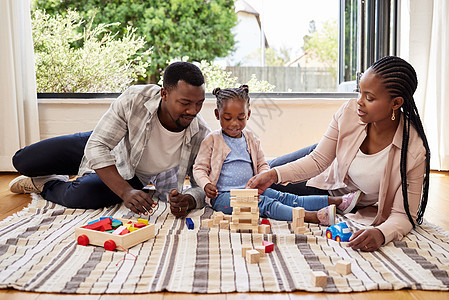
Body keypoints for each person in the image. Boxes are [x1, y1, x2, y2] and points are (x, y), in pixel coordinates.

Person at [246, 56, 431, 252]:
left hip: (335, 195)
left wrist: (381, 233)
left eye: (369, 98)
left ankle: (340, 203)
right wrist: (274, 174)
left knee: (264, 193)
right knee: (258, 174)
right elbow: (318, 161)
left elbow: (403, 214)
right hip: (324, 167)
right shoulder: (350, 112)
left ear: (396, 103)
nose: (359, 102)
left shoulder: (413, 151)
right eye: (359, 92)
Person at [9, 62, 211, 218]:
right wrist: (124, 192)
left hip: (130, 171)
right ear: (164, 94)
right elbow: (98, 145)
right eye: (185, 103)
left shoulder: (200, 133)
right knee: (23, 161)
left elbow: (201, 183)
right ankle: (46, 171)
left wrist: (190, 200)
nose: (193, 111)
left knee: (81, 195)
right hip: (105, 143)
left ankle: (44, 183)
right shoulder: (136, 98)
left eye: (199, 103)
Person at [193, 86, 363, 225]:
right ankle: (309, 216)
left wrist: (262, 176)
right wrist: (206, 184)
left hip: (253, 190)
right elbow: (199, 168)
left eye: (241, 118)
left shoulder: (251, 139)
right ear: (217, 115)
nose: (234, 124)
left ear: (249, 115)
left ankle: (337, 202)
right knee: (264, 205)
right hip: (223, 196)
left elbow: (262, 164)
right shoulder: (212, 140)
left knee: (286, 197)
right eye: (227, 118)